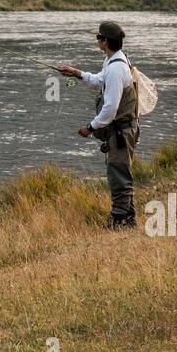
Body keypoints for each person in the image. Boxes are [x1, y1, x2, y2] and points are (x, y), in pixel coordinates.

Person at [55, 21, 140, 228]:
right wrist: (76, 73)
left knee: (118, 173)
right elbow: (98, 81)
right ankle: (127, 218)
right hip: (122, 129)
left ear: (105, 42)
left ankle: (120, 221)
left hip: (121, 131)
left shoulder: (115, 69)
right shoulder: (115, 61)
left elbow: (110, 108)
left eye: (98, 38)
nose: (97, 41)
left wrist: (90, 127)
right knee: (119, 172)